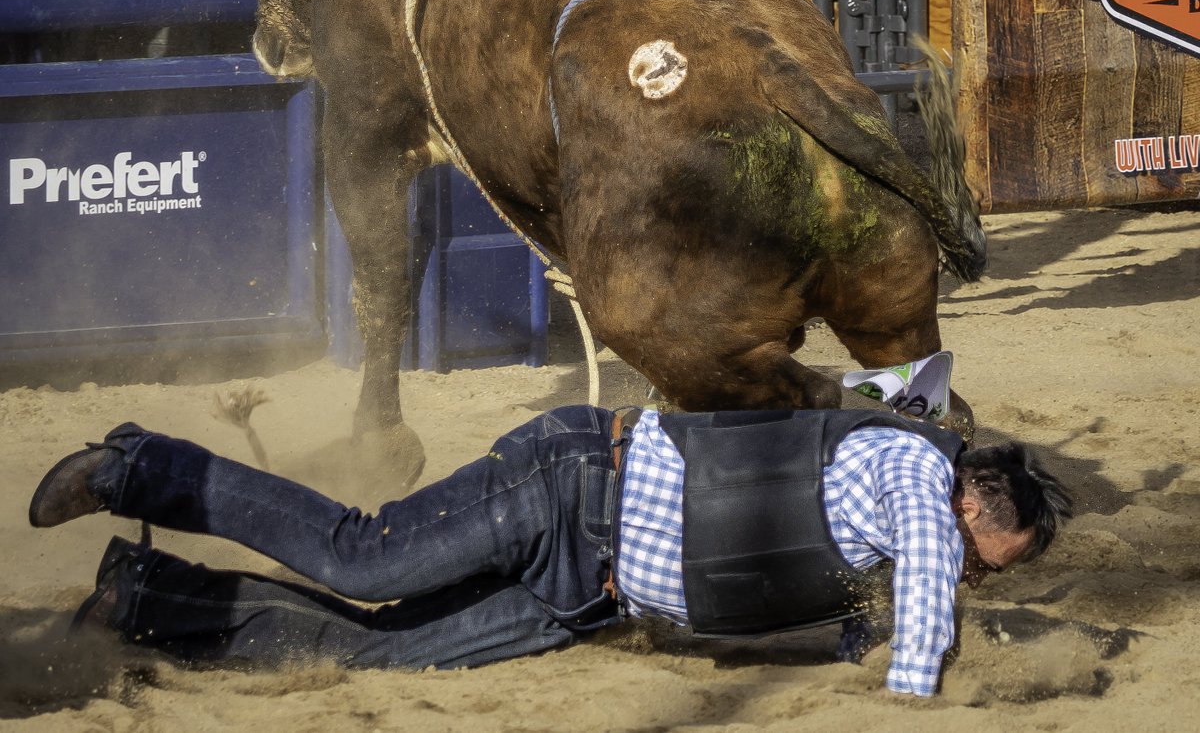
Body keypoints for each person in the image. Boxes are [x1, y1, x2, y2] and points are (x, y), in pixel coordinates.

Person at [28, 403, 1072, 696]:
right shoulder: (914, 478)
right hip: (568, 488)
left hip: (589, 590)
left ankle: (149, 597)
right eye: (994, 558)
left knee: (380, 650)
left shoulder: (889, 520)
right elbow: (929, 618)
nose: (977, 576)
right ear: (977, 506)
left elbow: (764, 592)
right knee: (362, 556)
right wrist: (918, 686)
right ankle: (139, 467)